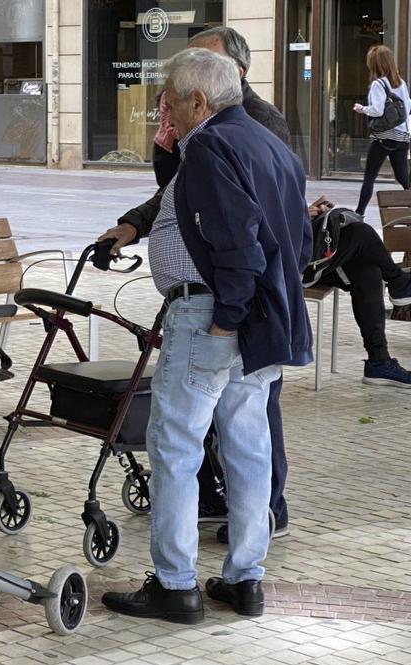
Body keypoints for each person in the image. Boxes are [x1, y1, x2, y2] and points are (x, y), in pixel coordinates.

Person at [101, 48, 312, 623]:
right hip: (256, 318)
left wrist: (227, 315)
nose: (165, 113)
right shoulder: (272, 146)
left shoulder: (210, 146)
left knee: (176, 447)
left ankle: (175, 585)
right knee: (247, 447)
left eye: (170, 102)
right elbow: (300, 244)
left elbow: (238, 240)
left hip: (212, 315)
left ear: (198, 101)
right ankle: (245, 580)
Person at [303, 200, 411, 387]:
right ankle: (398, 281)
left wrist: (311, 212)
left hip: (304, 250)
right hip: (288, 265)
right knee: (360, 233)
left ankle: (379, 361)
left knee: (368, 271)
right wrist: (302, 215)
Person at [353, 44, 411, 217]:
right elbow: (407, 108)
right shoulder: (401, 83)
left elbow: (377, 111)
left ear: (374, 64)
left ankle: (359, 214)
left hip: (383, 138)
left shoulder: (378, 84)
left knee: (369, 177)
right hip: (402, 137)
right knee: (403, 178)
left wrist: (362, 109)